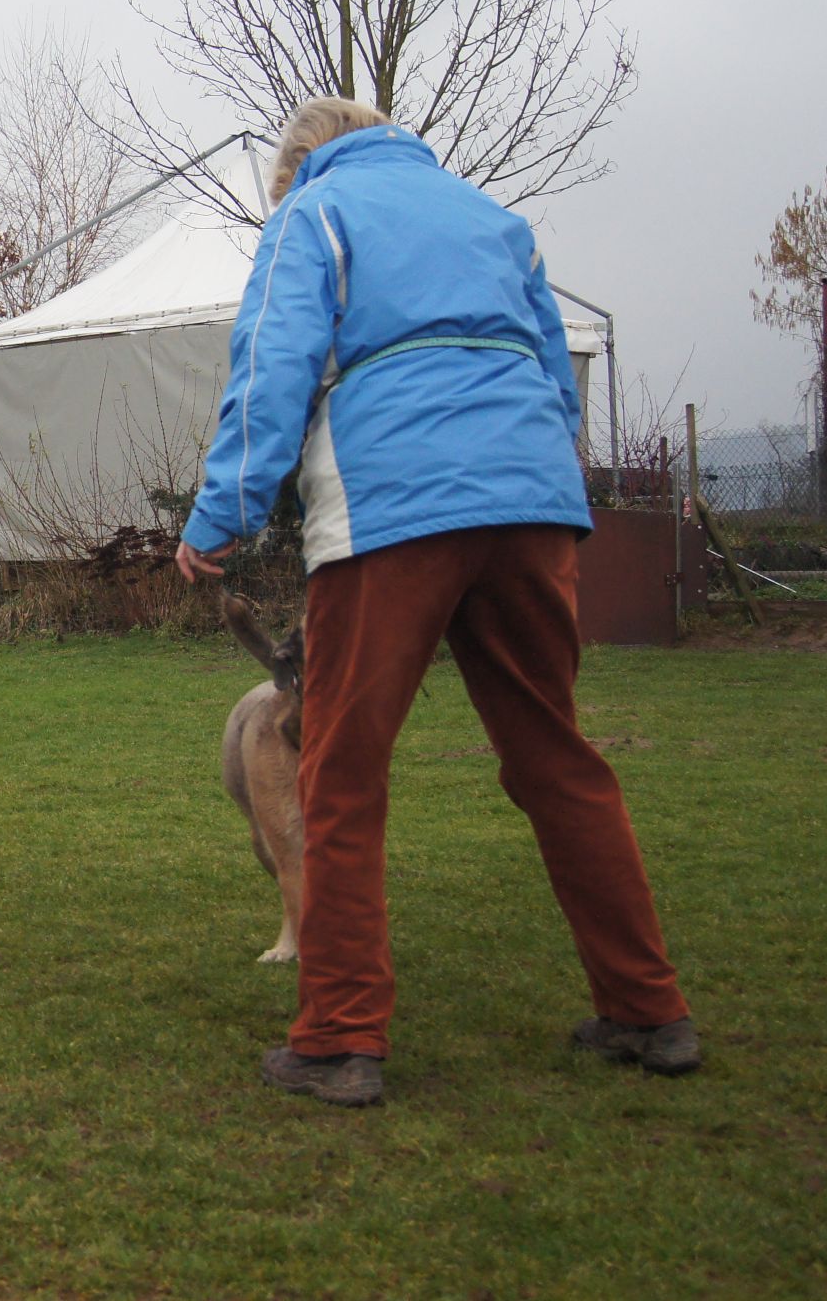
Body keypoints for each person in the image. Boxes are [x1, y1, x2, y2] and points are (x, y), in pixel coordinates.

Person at [175, 99, 698, 1107]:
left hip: (394, 504)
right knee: (555, 756)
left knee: (340, 765)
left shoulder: (313, 216)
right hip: (532, 500)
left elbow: (272, 361)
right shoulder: (493, 221)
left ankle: (337, 1035)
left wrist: (223, 512)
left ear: (299, 167)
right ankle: (647, 1008)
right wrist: (532, 478)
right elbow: (556, 379)